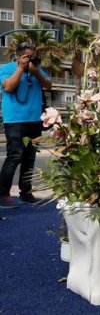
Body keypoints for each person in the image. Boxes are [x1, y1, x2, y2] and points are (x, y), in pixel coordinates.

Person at [0, 42, 52, 207]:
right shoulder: (7, 69)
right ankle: (2, 194)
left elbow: (49, 85)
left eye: (33, 56)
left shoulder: (36, 69)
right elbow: (8, 87)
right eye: (27, 56)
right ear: (18, 56)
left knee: (30, 158)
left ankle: (26, 192)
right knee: (14, 156)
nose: (31, 59)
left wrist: (36, 72)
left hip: (35, 120)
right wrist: (21, 69)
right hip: (15, 120)